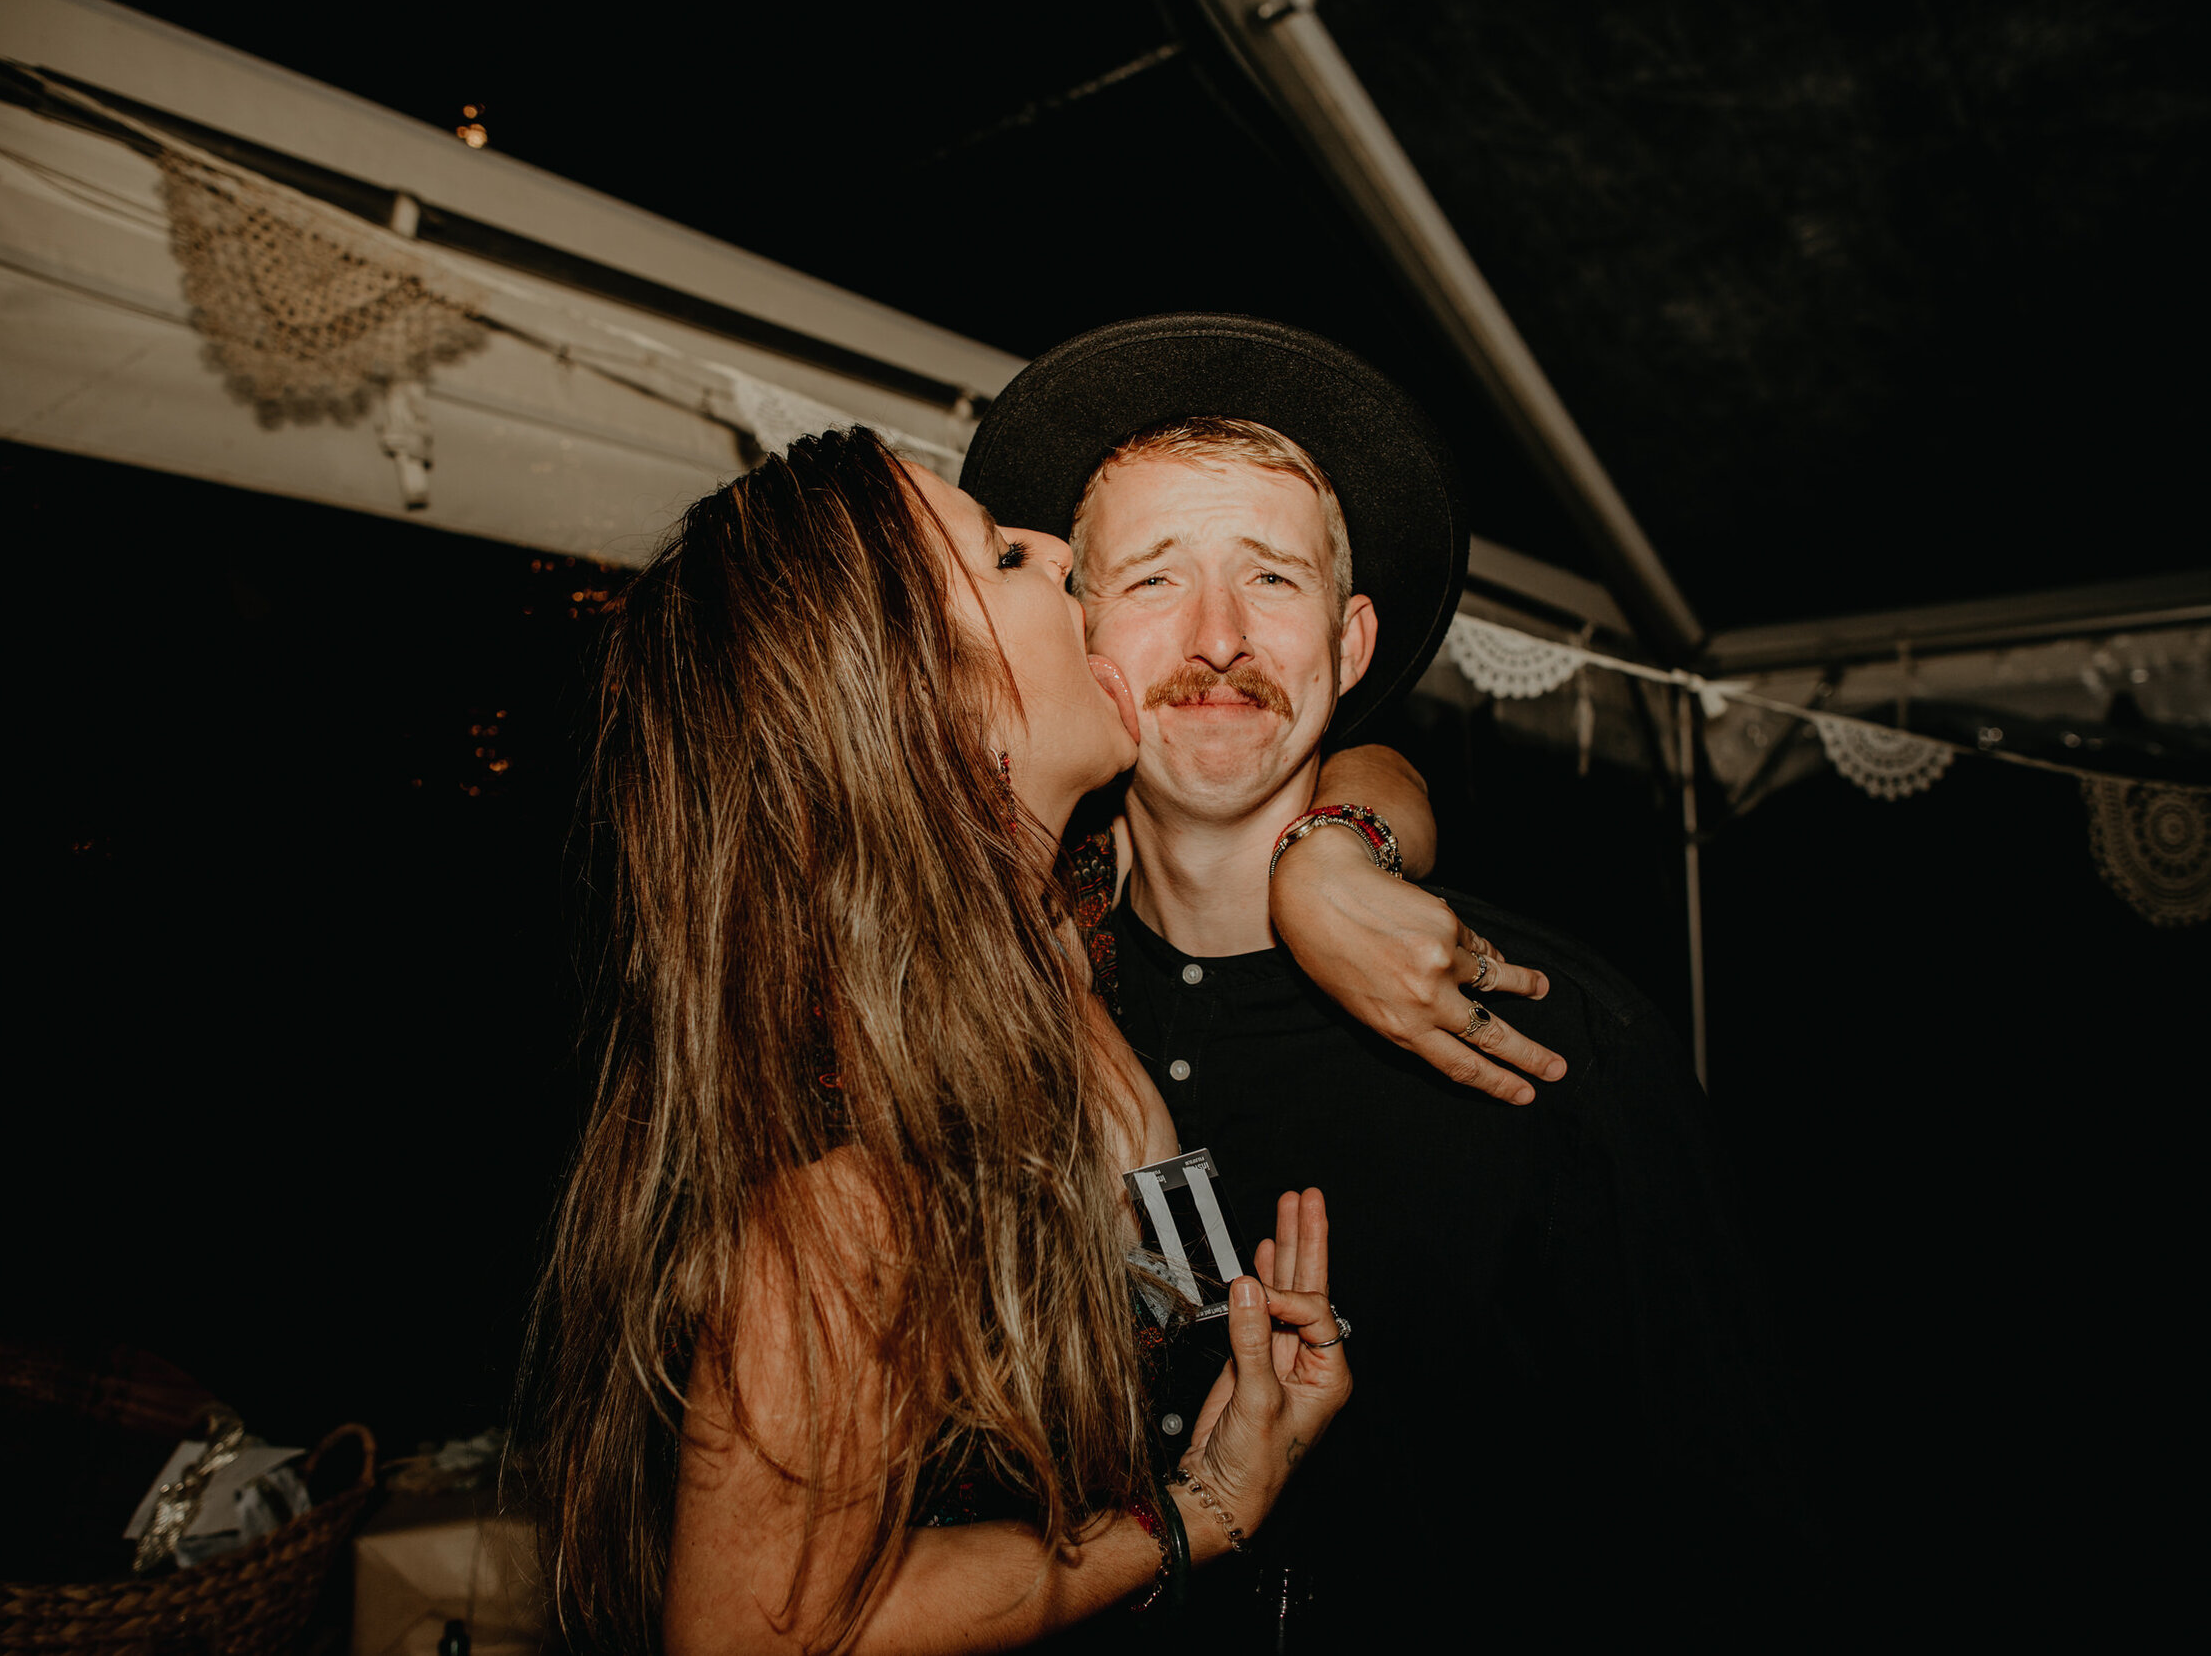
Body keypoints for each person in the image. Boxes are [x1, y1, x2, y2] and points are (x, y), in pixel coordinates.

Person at [522, 425, 1500, 1654]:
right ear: (922, 687)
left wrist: (1336, 853)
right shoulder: (853, 1158)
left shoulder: (1049, 928)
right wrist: (1199, 1513)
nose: (1049, 551)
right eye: (1000, 556)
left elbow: (1324, 743)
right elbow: (753, 1633)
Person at [962, 315, 1825, 1648]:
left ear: (1351, 644)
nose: (1216, 637)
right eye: (1150, 581)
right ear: (1072, 635)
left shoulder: (1559, 1033)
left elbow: (1741, 1542)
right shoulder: (989, 1026)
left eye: (1272, 580)